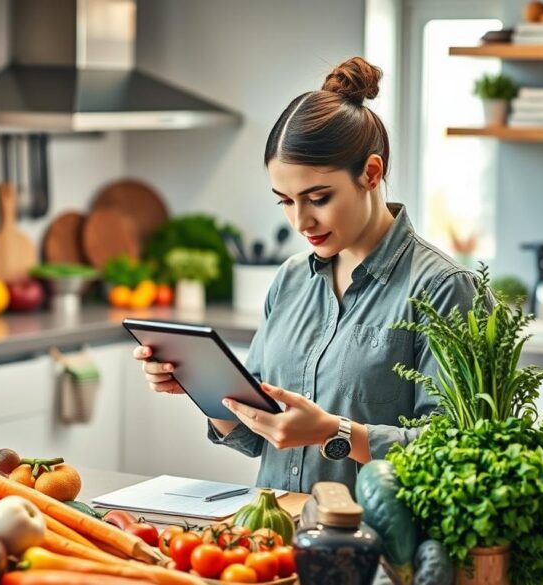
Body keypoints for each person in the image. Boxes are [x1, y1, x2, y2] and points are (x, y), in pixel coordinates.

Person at [133, 57, 479, 493]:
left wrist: (334, 433)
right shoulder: (290, 280)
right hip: (275, 538)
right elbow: (256, 432)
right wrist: (203, 387)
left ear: (371, 173)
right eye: (285, 201)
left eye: (318, 197)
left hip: (380, 550)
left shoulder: (443, 290)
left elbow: (463, 453)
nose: (301, 221)